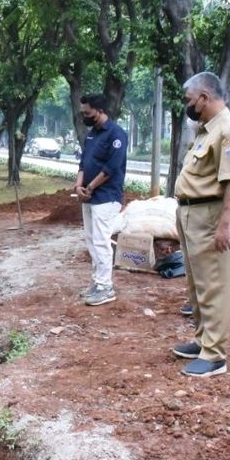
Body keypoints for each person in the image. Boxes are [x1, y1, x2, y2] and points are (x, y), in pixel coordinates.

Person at [171, 71, 230, 378]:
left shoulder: (228, 131)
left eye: (190, 100)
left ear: (204, 97)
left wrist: (225, 225)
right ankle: (203, 340)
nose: (187, 105)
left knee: (214, 284)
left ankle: (215, 354)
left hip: (212, 216)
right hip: (192, 215)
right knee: (197, 284)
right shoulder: (206, 129)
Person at [74, 93, 129, 307]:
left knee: (101, 240)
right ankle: (97, 282)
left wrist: (89, 187)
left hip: (106, 196)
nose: (84, 116)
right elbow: (83, 162)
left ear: (99, 110)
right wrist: (79, 185)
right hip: (88, 196)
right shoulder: (91, 134)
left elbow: (111, 168)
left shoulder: (116, 134)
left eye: (87, 113)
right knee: (90, 239)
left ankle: (106, 287)